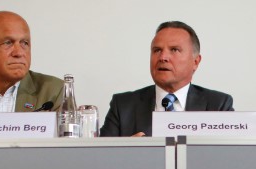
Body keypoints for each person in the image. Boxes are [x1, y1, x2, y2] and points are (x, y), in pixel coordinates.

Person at [99, 21, 234, 137]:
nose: (163, 57)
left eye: (174, 50)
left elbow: (230, 159)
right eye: (157, 50)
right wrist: (127, 152)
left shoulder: (218, 105)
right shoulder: (123, 106)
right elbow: (100, 158)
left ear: (195, 62)